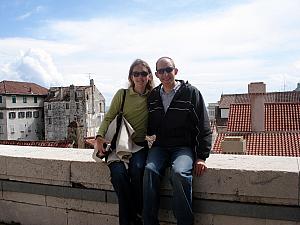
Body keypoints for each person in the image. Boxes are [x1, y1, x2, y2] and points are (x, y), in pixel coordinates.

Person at [143, 57, 212, 225]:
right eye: (161, 71)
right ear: (157, 75)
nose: (165, 74)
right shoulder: (153, 96)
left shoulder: (190, 93)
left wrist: (202, 156)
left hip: (183, 147)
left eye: (168, 70)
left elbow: (204, 125)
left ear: (176, 71)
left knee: (180, 174)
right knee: (149, 171)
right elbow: (149, 127)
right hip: (160, 146)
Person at [95, 59, 154, 225]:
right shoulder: (123, 94)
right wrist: (99, 137)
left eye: (143, 73)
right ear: (131, 77)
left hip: (140, 146)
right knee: (119, 175)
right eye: (136, 73)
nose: (140, 77)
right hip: (118, 146)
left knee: (137, 170)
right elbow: (109, 117)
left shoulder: (153, 97)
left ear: (149, 76)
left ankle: (129, 219)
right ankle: (136, 215)